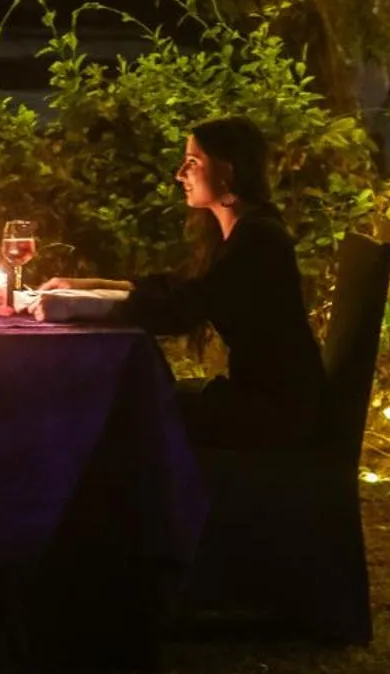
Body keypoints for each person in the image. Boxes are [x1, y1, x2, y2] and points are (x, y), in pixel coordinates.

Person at [43, 116, 326, 450]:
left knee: (125, 413)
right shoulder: (244, 231)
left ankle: (158, 500)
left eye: (193, 162)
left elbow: (178, 310)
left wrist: (76, 306)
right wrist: (88, 285)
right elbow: (178, 287)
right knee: (129, 405)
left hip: (277, 413)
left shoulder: (258, 238)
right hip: (264, 399)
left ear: (228, 169)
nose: (180, 174)